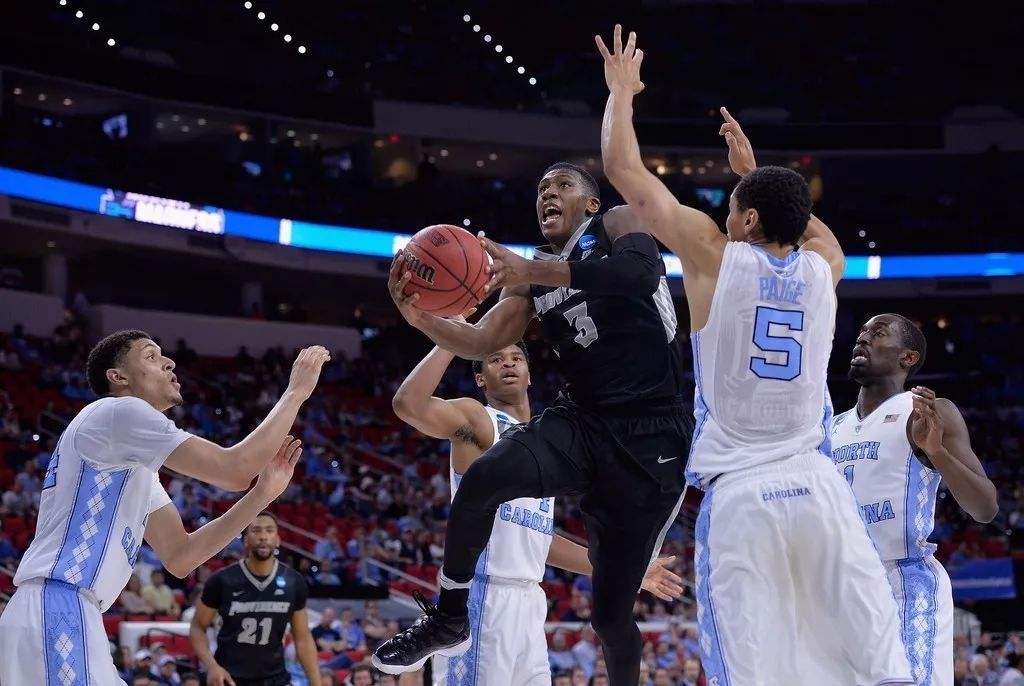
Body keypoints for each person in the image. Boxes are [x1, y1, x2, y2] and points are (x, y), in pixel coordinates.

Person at [594, 25, 913, 685]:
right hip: (819, 487)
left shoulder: (715, 257)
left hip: (743, 495)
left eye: (733, 204)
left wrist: (621, 92)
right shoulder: (826, 265)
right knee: (875, 663)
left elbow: (624, 171)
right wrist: (756, 173)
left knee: (754, 670)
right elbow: (810, 228)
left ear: (744, 222)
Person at [0, 330, 329, 685]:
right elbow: (234, 469)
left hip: (68, 611)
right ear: (118, 377)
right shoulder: (118, 411)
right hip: (59, 604)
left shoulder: (131, 463)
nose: (169, 362)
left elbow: (181, 556)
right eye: (151, 356)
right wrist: (296, 393)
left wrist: (263, 493)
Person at [375, 339, 684, 683]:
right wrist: (452, 339)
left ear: (530, 374)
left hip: (531, 601)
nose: (508, 364)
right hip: (483, 597)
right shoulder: (479, 419)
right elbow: (408, 404)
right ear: (480, 379)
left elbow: (539, 540)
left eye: (516, 357)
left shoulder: (545, 444)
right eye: (495, 359)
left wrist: (628, 570)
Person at [831, 313, 998, 685]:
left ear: (907, 357)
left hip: (903, 580)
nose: (863, 339)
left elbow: (985, 507)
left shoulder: (927, 411)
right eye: (861, 332)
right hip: (843, 582)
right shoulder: (831, 427)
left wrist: (937, 453)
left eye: (877, 333)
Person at [190, 511, 321, 686]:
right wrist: (212, 666)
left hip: (276, 678)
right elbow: (198, 626)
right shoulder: (222, 580)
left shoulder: (294, 582)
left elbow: (303, 638)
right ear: (245, 540)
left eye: (269, 530)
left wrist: (316, 683)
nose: (263, 537)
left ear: (278, 539)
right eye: (256, 530)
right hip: (229, 677)